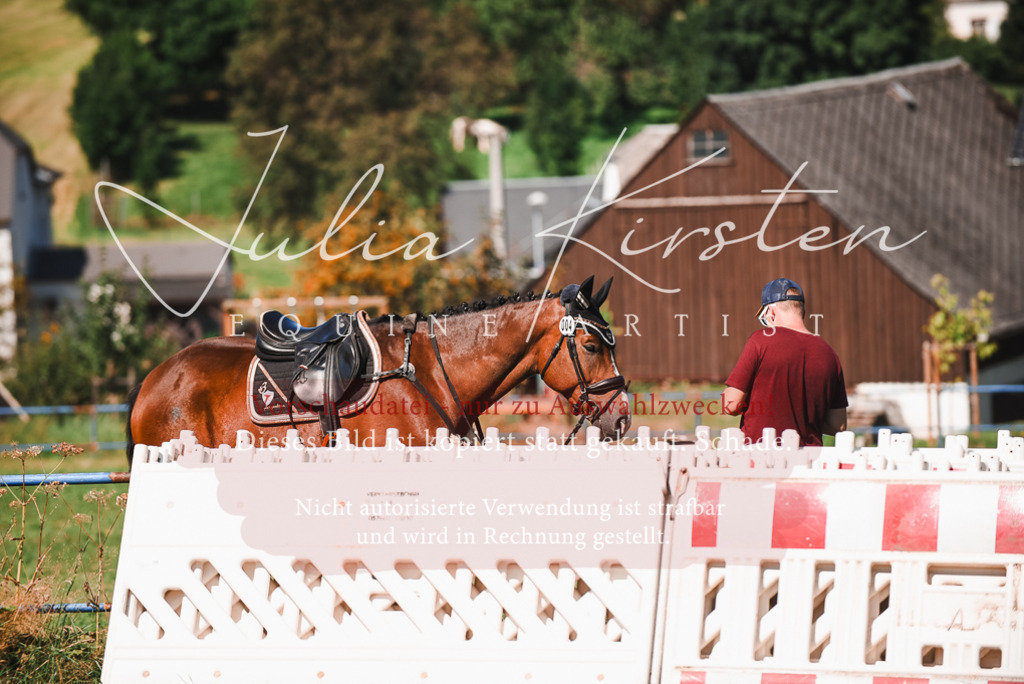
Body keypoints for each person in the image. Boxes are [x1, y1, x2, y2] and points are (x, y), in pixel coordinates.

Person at [722, 278, 848, 446]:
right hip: (809, 463)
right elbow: (837, 425)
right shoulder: (830, 354)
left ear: (770, 312)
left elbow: (730, 405)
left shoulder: (760, 341)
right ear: (802, 312)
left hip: (761, 459)